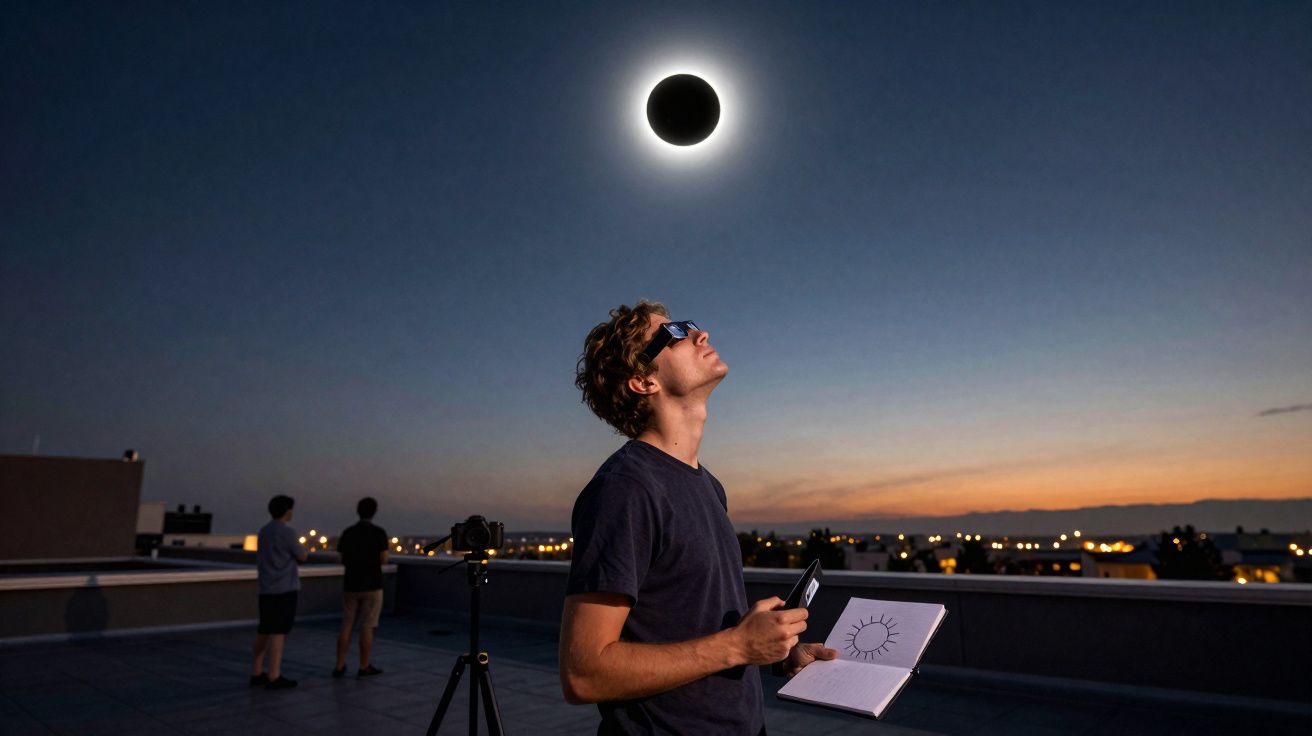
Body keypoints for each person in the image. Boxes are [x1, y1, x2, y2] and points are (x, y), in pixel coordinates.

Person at [559, 301, 837, 734]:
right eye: (674, 334)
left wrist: (778, 652)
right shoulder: (624, 490)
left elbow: (688, 621)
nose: (699, 334)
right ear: (643, 381)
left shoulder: (707, 485)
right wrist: (738, 646)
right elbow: (584, 673)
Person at [252, 494, 307, 690]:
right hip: (284, 589)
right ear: (287, 511)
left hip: (266, 588)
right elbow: (302, 555)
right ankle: (274, 675)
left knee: (264, 629)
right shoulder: (287, 532)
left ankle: (257, 671)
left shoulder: (264, 531)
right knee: (278, 632)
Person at [333, 496, 389, 677]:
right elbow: (384, 559)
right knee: (367, 626)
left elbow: (340, 558)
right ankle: (364, 666)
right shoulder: (379, 533)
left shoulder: (348, 532)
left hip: (351, 584)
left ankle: (339, 665)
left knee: (347, 624)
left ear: (358, 511)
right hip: (372, 585)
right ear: (374, 512)